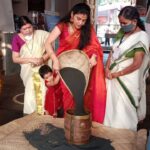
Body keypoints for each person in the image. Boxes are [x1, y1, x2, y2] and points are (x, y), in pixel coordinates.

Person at [45, 3, 106, 123]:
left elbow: (94, 46)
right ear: (72, 15)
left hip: (80, 66)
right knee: (67, 94)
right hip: (63, 64)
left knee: (80, 94)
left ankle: (77, 124)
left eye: (84, 20)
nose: (80, 23)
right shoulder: (62, 26)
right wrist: (55, 60)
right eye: (78, 19)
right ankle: (69, 124)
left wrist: (93, 57)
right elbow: (47, 43)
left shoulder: (88, 28)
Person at [104, 6, 150, 131]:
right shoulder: (122, 33)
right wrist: (107, 68)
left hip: (127, 79)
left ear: (134, 21)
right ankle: (109, 133)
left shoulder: (141, 37)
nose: (122, 25)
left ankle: (125, 136)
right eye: (120, 23)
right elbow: (113, 51)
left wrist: (117, 74)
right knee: (111, 107)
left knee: (124, 110)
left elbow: (137, 63)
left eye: (124, 23)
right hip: (112, 76)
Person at [11, 16, 50, 115]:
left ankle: (44, 112)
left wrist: (42, 59)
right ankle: (31, 114)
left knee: (43, 89)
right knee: (30, 91)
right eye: (24, 29)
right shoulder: (16, 39)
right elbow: (15, 59)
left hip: (42, 67)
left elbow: (51, 49)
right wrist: (31, 59)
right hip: (28, 69)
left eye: (30, 27)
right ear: (19, 29)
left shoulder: (41, 34)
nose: (28, 30)